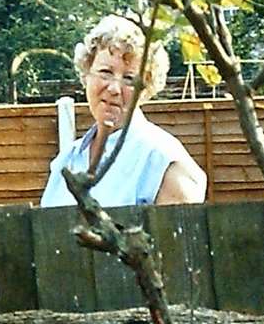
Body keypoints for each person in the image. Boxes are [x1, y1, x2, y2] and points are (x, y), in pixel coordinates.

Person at [39, 14, 208, 208]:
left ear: (146, 89)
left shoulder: (164, 162)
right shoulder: (66, 161)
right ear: (86, 74)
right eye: (105, 72)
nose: (114, 89)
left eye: (129, 79)